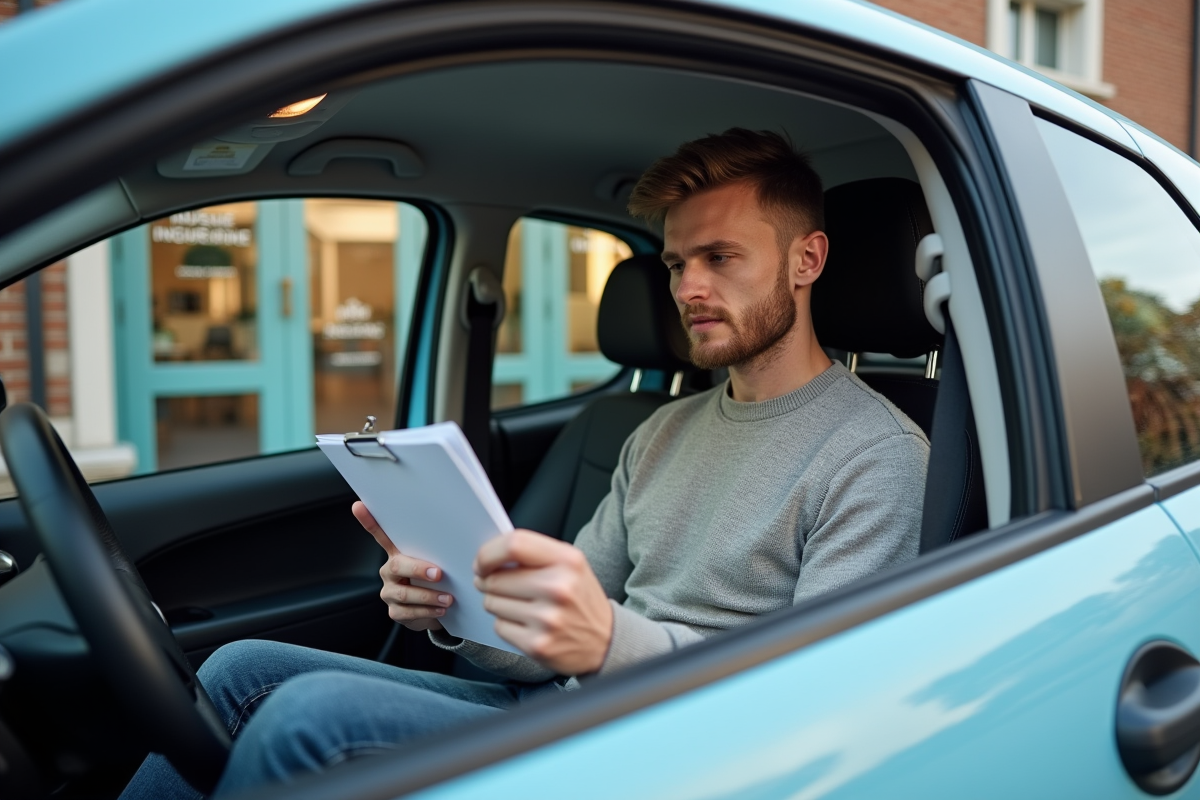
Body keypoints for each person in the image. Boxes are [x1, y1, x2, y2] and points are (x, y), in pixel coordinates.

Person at [119, 128, 929, 799]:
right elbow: (552, 642)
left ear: (806, 260)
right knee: (240, 670)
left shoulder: (878, 456)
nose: (688, 288)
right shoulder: (659, 432)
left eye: (720, 258)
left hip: (677, 747)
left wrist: (608, 642)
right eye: (677, 263)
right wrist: (450, 608)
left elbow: (816, 704)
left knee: (310, 718)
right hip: (569, 703)